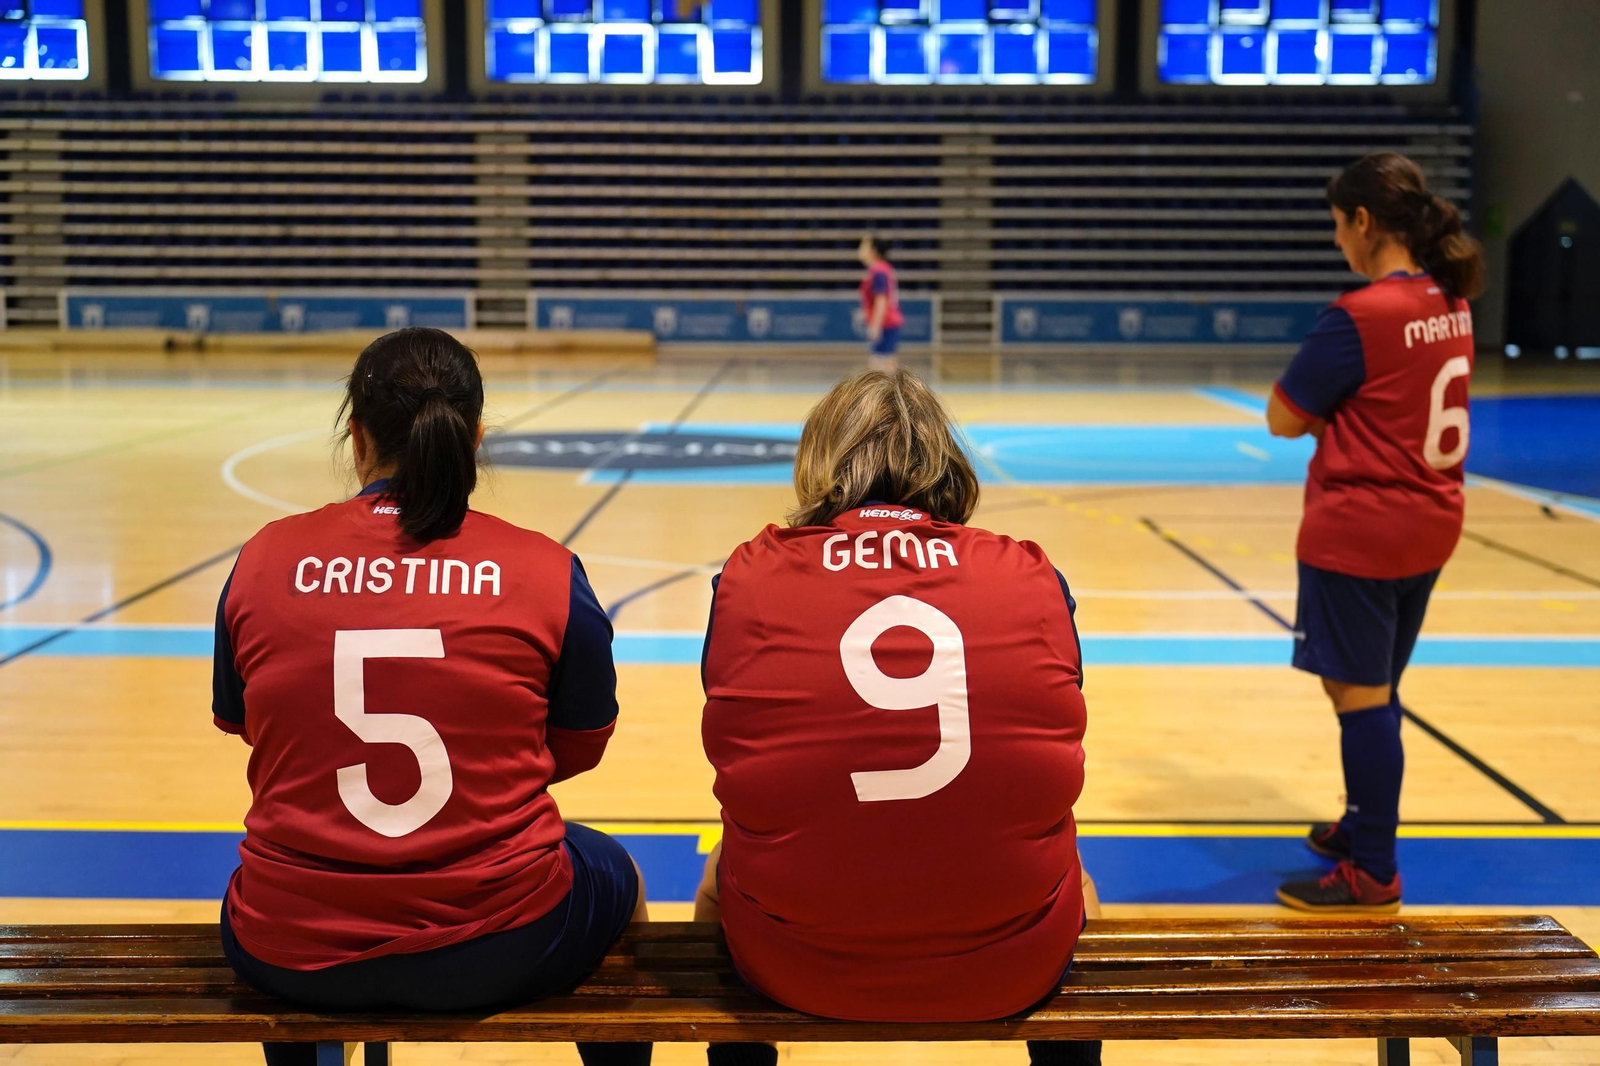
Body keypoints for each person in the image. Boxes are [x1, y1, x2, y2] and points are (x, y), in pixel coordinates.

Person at [211, 328, 650, 1066]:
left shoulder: (262, 560)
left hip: (290, 943)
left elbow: (247, 723)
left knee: (273, 895)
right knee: (619, 875)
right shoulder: (544, 568)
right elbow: (579, 745)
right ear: (473, 438)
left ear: (357, 437)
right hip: (499, 941)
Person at [697, 369, 1101, 1066]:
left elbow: (739, 728)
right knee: (1076, 873)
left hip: (792, 965)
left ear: (820, 462)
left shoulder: (749, 575)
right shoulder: (1033, 574)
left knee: (718, 872)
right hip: (1010, 967)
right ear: (947, 464)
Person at [1267, 153, 1485, 913]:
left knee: (1358, 695)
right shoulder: (1451, 300)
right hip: (1432, 521)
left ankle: (1373, 870)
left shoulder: (1361, 313)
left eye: (1338, 225)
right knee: (1376, 687)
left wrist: (1336, 416)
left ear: (1364, 221)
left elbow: (1282, 417)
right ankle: (1363, 822)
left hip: (1361, 531)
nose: (1337, 241)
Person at [858, 234, 904, 368]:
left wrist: (875, 325)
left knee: (881, 364)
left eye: (863, 246)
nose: (860, 250)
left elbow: (881, 300)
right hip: (886, 321)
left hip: (886, 322)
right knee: (883, 362)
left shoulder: (879, 271)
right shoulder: (881, 269)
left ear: (873, 251)